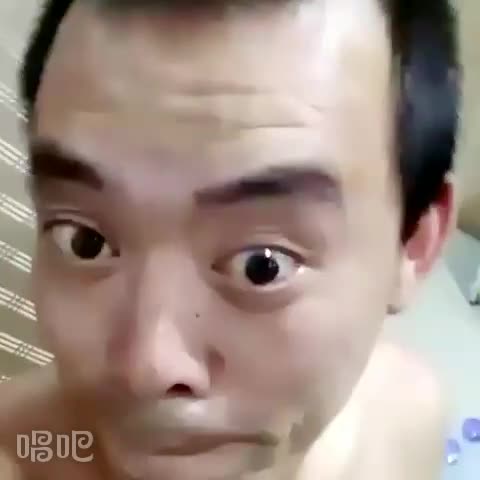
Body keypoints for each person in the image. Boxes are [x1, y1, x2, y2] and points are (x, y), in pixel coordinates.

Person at [0, 0, 461, 478]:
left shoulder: (405, 421)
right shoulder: (24, 456)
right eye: (85, 242)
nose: (149, 368)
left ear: (415, 243)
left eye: (263, 265)